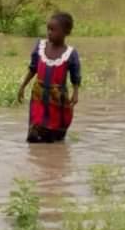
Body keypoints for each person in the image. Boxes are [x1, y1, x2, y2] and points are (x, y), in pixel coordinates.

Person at [17, 13, 81, 143]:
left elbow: (75, 75)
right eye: (48, 29)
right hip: (38, 97)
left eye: (53, 30)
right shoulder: (40, 47)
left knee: (55, 134)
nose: (49, 33)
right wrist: (23, 86)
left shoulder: (70, 54)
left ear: (66, 32)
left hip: (58, 100)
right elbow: (33, 68)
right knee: (35, 132)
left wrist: (75, 93)